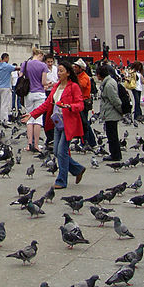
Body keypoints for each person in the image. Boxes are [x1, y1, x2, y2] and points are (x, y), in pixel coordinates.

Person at [21, 59, 85, 189]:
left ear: (68, 73)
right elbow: (46, 105)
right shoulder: (56, 87)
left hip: (68, 123)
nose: (58, 73)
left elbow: (80, 104)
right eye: (58, 71)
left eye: (61, 71)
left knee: (62, 151)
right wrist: (32, 114)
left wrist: (70, 106)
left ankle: (61, 180)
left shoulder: (73, 87)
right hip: (57, 123)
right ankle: (77, 169)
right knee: (56, 151)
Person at [21, 48, 51, 152]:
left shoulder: (25, 64)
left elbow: (21, 76)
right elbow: (43, 82)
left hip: (28, 93)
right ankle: (37, 144)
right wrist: (48, 84)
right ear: (40, 55)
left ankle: (29, 144)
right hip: (39, 93)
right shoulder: (43, 65)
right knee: (38, 119)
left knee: (29, 119)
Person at [96, 63, 123, 161]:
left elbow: (114, 100)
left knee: (112, 135)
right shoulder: (110, 81)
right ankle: (116, 154)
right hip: (109, 112)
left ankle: (115, 155)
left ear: (99, 75)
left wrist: (121, 111)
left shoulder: (108, 85)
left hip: (111, 113)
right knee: (112, 134)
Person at [72, 59, 96, 149]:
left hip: (84, 102)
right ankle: (91, 141)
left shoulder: (84, 77)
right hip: (81, 101)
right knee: (84, 122)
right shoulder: (79, 76)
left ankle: (86, 141)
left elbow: (80, 86)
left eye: (76, 67)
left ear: (81, 68)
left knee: (84, 123)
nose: (74, 68)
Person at [0, 53, 14, 126]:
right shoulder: (8, 66)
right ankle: (4, 119)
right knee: (4, 104)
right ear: (6, 58)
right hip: (6, 86)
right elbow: (16, 68)